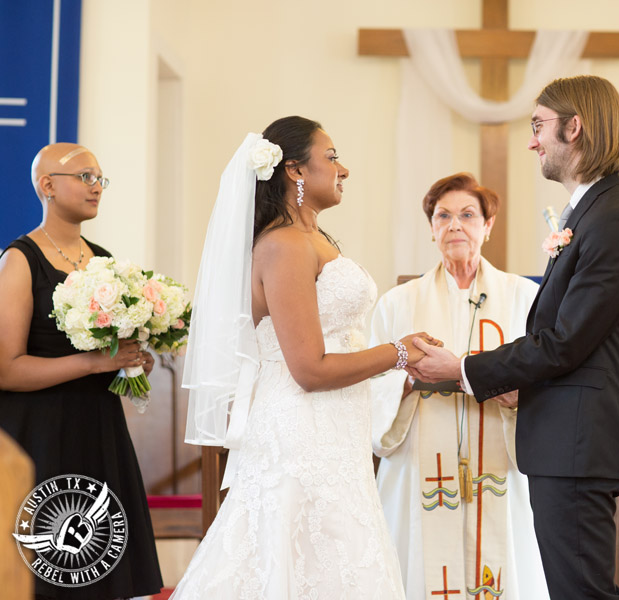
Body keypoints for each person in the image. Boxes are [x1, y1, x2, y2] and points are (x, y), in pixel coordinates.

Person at [408, 75, 619, 599]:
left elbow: (565, 340)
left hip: (579, 437)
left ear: (575, 127)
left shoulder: (617, 220)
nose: (532, 141)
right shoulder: (596, 211)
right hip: (566, 436)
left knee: (581, 592)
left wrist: (460, 370)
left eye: (538, 126)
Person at [173, 116, 436, 599]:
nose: (345, 169)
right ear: (294, 170)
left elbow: (339, 344)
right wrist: (397, 352)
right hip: (300, 430)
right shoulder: (284, 245)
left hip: (332, 428)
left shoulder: (312, 238)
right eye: (332, 157)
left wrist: (394, 357)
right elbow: (310, 369)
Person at [369, 172, 549, 599]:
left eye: (468, 215)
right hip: (419, 463)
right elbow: (369, 385)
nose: (455, 225)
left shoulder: (525, 298)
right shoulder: (397, 304)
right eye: (443, 215)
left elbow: (545, 375)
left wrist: (500, 386)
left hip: (502, 459)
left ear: (487, 226)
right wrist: (408, 383)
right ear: (431, 228)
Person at [0, 143, 162, 599]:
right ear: (47, 185)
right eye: (85, 177)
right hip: (40, 433)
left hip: (99, 430)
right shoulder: (20, 260)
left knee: (99, 567)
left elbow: (110, 356)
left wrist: (133, 361)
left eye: (101, 179)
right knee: (48, 568)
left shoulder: (105, 260)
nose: (97, 188)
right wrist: (94, 362)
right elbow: (6, 370)